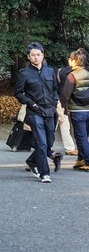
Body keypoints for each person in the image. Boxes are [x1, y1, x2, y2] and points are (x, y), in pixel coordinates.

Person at [15, 42, 61, 182]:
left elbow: (54, 89)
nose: (36, 57)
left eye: (38, 55)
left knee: (49, 141)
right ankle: (44, 173)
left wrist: (55, 102)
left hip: (50, 111)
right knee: (41, 143)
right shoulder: (24, 73)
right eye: (33, 55)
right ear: (28, 57)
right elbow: (18, 93)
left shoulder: (50, 71)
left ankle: (32, 161)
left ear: (43, 55)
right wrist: (31, 103)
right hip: (34, 111)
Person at [58, 47, 89, 171]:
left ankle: (87, 161)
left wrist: (62, 108)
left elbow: (65, 95)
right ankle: (81, 159)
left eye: (70, 59)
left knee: (80, 137)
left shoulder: (72, 76)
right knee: (84, 136)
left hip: (77, 110)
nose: (69, 61)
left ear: (74, 61)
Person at [52, 54, 80, 157]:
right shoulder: (67, 73)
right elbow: (65, 92)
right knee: (61, 124)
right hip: (61, 102)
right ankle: (69, 148)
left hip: (60, 101)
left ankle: (69, 148)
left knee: (61, 124)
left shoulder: (64, 71)